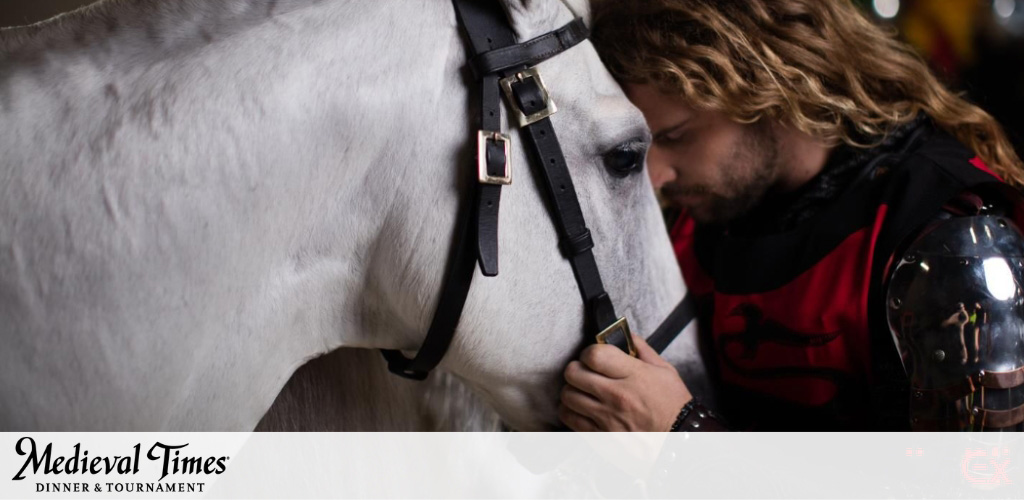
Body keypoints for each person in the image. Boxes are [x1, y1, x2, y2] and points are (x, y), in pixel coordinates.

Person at [559, 0, 1024, 431]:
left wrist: (683, 441)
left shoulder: (948, 241)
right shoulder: (699, 222)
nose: (656, 175)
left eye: (677, 136)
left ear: (768, 87)